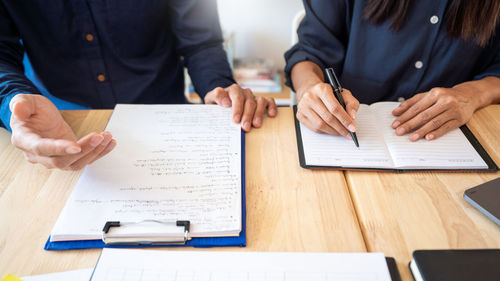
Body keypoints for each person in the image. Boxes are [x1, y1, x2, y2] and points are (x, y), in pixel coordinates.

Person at [0, 0, 277, 170]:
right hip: (57, 127)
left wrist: (218, 86)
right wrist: (13, 103)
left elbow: (200, 41)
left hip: (165, 123)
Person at [285, 0, 500, 141]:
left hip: (452, 140)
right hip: (349, 134)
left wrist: (473, 94)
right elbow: (310, 51)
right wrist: (308, 88)